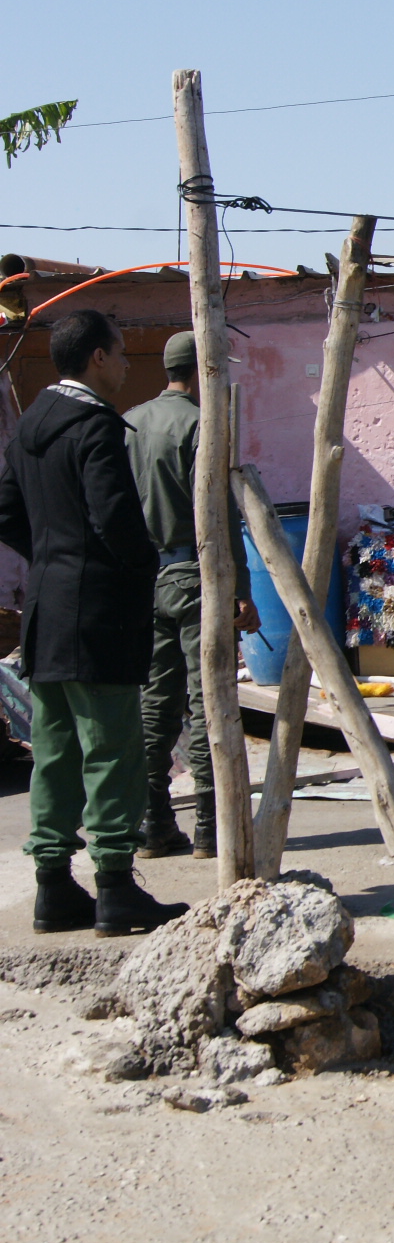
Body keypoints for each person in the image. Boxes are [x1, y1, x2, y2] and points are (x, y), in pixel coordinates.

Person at [0, 310, 187, 936]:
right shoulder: (96, 427)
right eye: (120, 353)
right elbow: (116, 519)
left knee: (52, 750)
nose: (127, 366)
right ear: (98, 359)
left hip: (46, 611)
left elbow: (5, 509)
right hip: (99, 612)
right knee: (111, 747)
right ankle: (114, 886)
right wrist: (139, 572)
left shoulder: (30, 425)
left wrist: (52, 557)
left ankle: (53, 887)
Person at [125, 331, 260, 859]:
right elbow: (221, 515)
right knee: (208, 700)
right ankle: (210, 826)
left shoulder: (130, 423)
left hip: (145, 580)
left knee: (154, 701)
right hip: (194, 575)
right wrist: (240, 590)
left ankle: (152, 821)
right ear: (203, 369)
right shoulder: (203, 425)